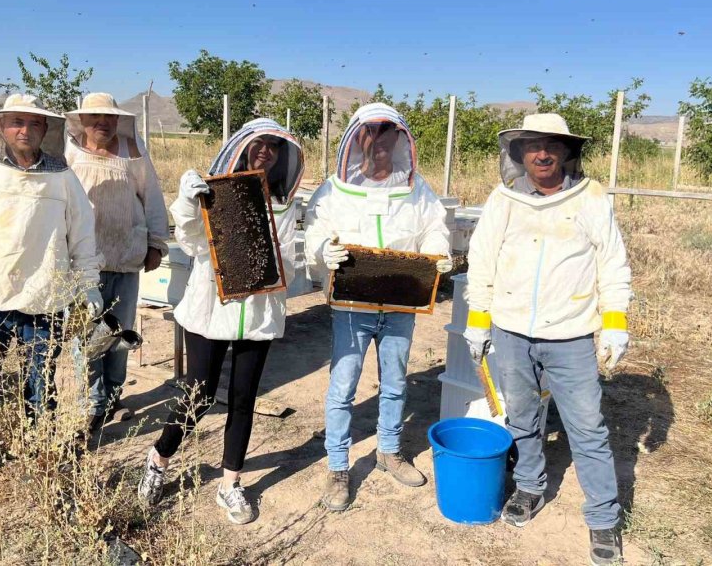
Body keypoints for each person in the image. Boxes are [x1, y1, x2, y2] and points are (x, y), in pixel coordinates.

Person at [464, 113, 631, 565]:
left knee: (587, 428)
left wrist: (614, 321)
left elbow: (611, 262)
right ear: (518, 154)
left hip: (571, 334)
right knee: (522, 416)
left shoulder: (591, 198)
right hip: (511, 329)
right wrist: (478, 320)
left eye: (551, 146)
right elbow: (482, 261)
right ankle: (530, 488)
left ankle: (602, 517)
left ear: (565, 152)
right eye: (533, 146)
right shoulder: (503, 201)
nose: (542, 154)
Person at [137, 118, 304, 525]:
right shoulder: (217, 189)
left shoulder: (286, 203)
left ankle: (230, 484)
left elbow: (288, 264)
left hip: (259, 314)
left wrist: (286, 264)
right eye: (258, 143)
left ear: (283, 157)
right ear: (243, 147)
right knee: (199, 394)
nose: (265, 150)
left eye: (273, 146)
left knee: (244, 398)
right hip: (211, 307)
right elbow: (195, 245)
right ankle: (157, 459)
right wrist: (188, 206)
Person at [0, 94, 103, 497]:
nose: (24, 131)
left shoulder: (63, 179)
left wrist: (88, 282)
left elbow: (81, 234)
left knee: (39, 384)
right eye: (15, 122)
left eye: (32, 123)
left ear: (46, 130)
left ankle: (38, 451)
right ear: (1, 128)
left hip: (44, 300)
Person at [304, 102, 452, 512]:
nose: (379, 143)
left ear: (398, 141)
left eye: (387, 136)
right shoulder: (335, 190)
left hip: (402, 304)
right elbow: (314, 231)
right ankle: (338, 467)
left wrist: (438, 251)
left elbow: (434, 228)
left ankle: (389, 450)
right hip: (352, 305)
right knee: (343, 386)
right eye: (371, 135)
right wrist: (322, 250)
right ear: (358, 140)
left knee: (396, 380)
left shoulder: (416, 189)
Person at [65, 93, 170, 431]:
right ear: (82, 120)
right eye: (95, 117)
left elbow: (152, 197)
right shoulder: (67, 152)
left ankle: (112, 397)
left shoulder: (133, 151)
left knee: (120, 335)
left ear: (117, 120)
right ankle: (92, 402)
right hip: (81, 263)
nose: (102, 123)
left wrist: (156, 243)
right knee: (87, 336)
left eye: (108, 117)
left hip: (125, 256)